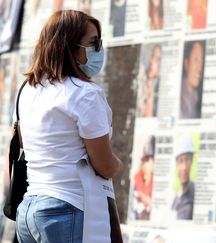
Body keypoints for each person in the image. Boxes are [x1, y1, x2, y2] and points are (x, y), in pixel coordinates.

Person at [15, 10, 122, 242]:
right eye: (93, 43)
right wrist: (117, 165)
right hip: (67, 209)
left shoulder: (28, 90)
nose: (99, 50)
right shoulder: (85, 94)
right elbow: (103, 165)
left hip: (29, 210)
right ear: (68, 47)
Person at [172, 136, 195, 220]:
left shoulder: (196, 193)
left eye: (187, 160)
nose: (184, 167)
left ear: (191, 161)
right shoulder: (174, 200)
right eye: (181, 161)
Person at [180, 41, 204, 119]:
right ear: (186, 63)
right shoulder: (179, 96)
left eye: (201, 62)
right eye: (196, 60)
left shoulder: (196, 97)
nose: (199, 68)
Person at [133, 136, 155, 220]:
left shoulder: (153, 179)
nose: (145, 163)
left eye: (148, 160)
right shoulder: (138, 177)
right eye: (145, 160)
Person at [137, 44, 161, 117]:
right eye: (152, 56)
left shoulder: (156, 91)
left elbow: (148, 116)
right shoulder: (140, 71)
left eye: (157, 60)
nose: (151, 61)